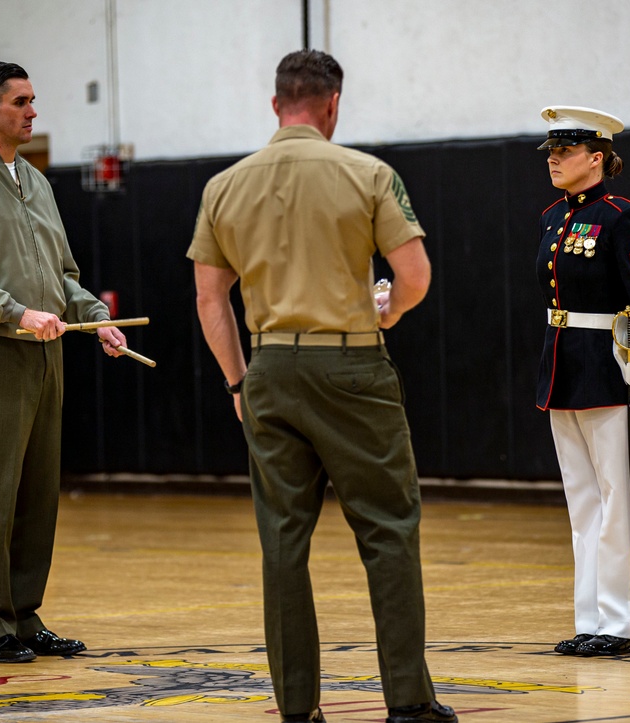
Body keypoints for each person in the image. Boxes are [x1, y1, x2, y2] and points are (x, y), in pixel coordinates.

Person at [186, 50, 457, 723]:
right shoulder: (367, 174)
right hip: (352, 367)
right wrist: (386, 309)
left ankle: (299, 711)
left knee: (282, 542)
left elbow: (209, 298)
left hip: (269, 370)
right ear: (333, 104)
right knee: (387, 530)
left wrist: (236, 382)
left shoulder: (223, 187)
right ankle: (407, 702)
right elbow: (414, 274)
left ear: (275, 103)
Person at [0, 61, 128, 663]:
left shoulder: (37, 183)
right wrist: (14, 313)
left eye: (34, 100)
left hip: (49, 356)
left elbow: (63, 277)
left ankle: (25, 616)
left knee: (39, 493)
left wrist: (96, 318)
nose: (33, 111)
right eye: (20, 102)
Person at [533, 106, 630, 657]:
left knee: (620, 499)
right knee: (582, 501)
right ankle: (591, 618)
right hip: (564, 365)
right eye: (551, 154)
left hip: (611, 369)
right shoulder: (551, 217)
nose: (554, 162)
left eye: (564, 153)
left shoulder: (621, 217)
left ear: (596, 158)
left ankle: (622, 624)